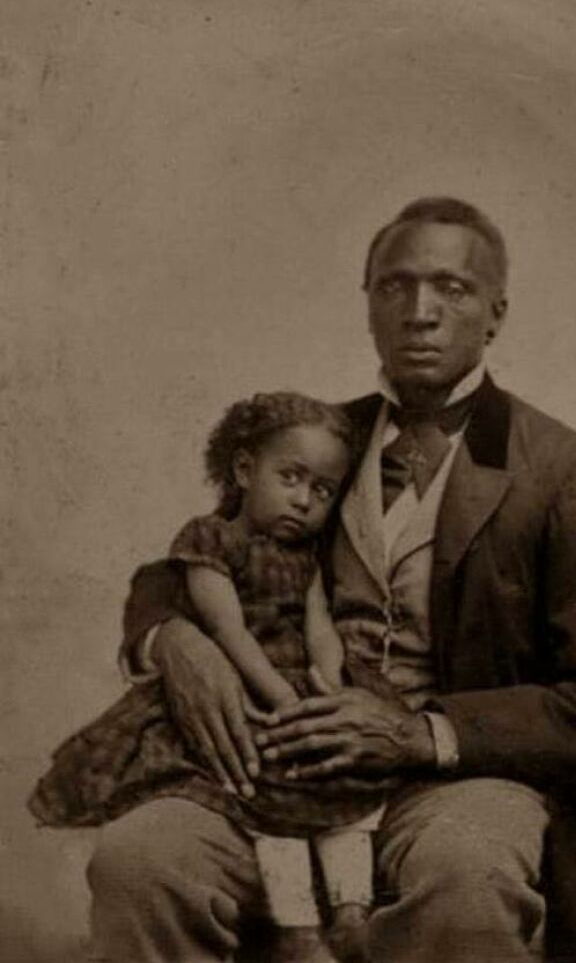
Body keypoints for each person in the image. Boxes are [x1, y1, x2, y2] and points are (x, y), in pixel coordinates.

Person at [88, 197, 576, 963]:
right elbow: (182, 568)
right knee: (141, 862)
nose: (420, 311)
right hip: (279, 766)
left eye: (452, 289)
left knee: (465, 877)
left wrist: (422, 734)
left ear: (496, 313)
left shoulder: (567, 468)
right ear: (368, 305)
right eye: (395, 285)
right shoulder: (317, 442)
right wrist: (172, 641)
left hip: (463, 782)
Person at [30, 392, 402, 963]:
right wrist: (282, 697)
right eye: (291, 479)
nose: (303, 501)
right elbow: (227, 629)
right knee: (265, 793)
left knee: (343, 791)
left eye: (321, 491)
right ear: (245, 469)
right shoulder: (211, 540)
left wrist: (329, 681)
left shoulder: (303, 555)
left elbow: (319, 622)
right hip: (252, 687)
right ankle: (297, 927)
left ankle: (351, 915)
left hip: (311, 692)